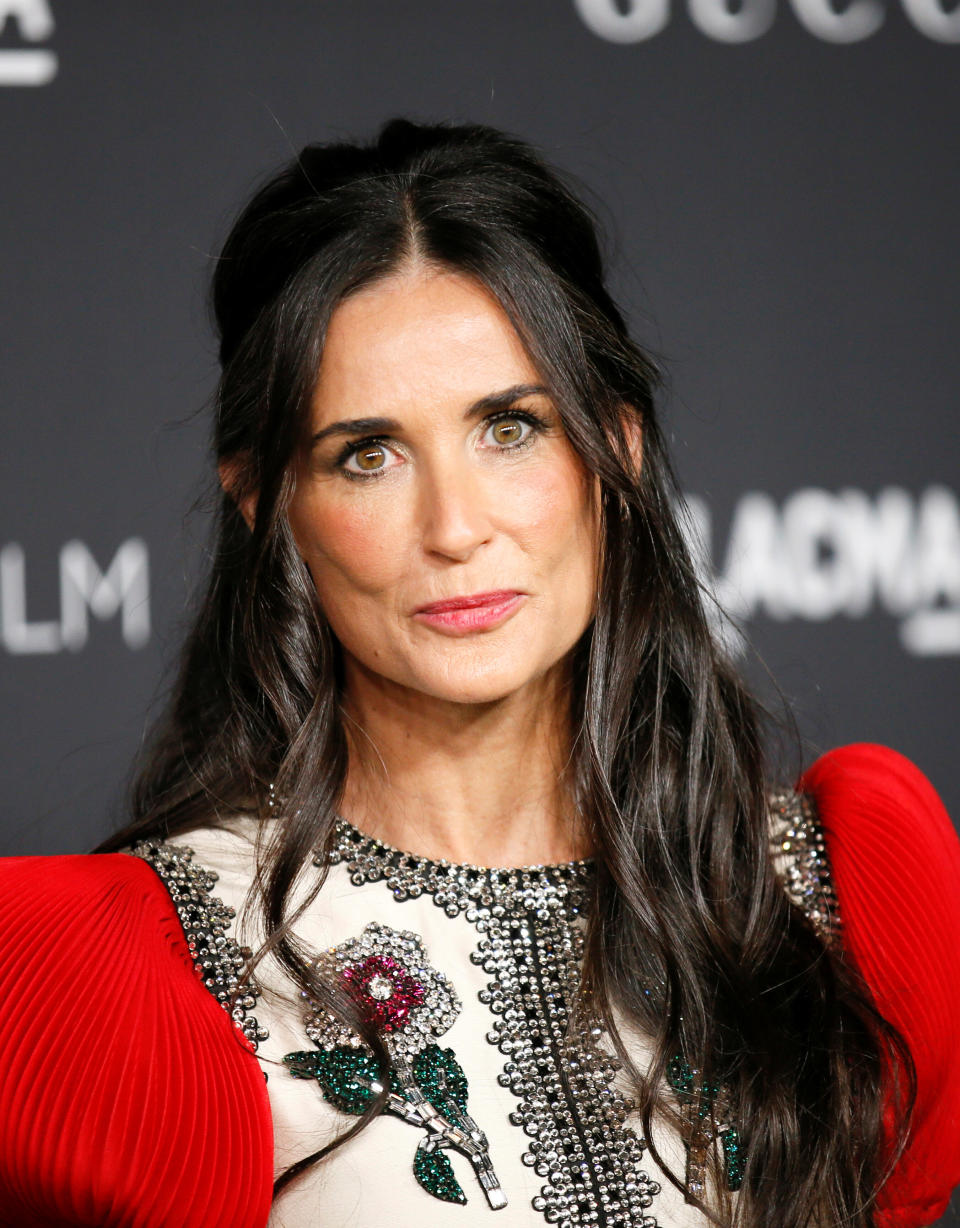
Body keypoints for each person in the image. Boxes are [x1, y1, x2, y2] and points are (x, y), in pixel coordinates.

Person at [1, 117, 958, 1228]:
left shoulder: (827, 899)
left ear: (617, 445)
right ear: (268, 501)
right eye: (369, 454)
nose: (455, 528)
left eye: (509, 427)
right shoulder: (154, 973)